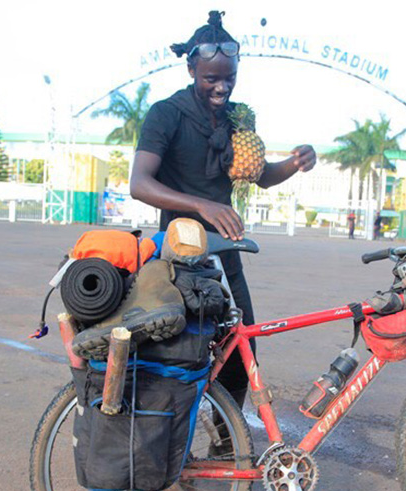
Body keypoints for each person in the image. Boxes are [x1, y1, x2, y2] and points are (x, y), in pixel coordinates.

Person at [130, 11, 316, 408]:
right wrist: (202, 204)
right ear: (191, 67)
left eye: (229, 78)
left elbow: (260, 175)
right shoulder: (167, 114)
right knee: (181, 350)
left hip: (226, 256)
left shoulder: (235, 119)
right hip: (179, 256)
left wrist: (295, 164)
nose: (221, 87)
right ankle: (170, 437)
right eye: (210, 78)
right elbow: (140, 183)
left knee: (240, 350)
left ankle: (227, 444)